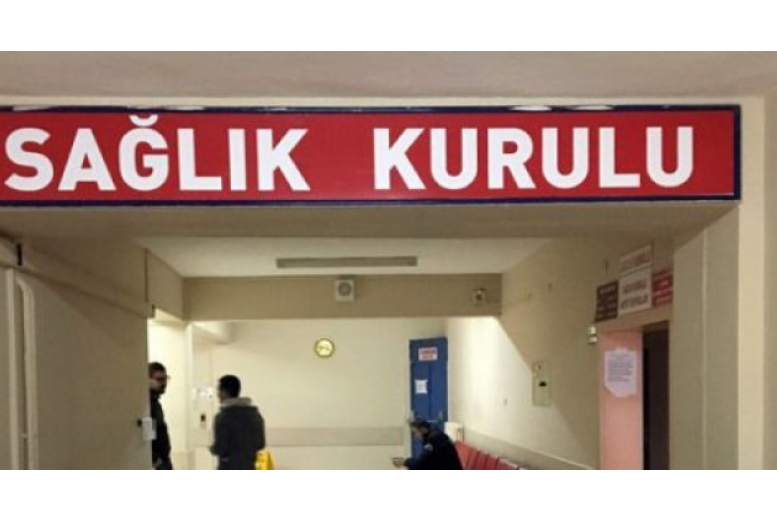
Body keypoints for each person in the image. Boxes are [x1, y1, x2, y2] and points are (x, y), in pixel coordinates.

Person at [210, 375, 266, 470]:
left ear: (225, 392)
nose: (218, 394)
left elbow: (220, 447)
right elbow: (260, 444)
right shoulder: (255, 415)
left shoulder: (223, 417)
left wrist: (212, 449)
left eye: (219, 391)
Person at [394, 419, 463, 470]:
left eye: (415, 432)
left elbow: (421, 463)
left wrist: (405, 462)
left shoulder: (433, 439)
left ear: (422, 429)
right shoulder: (434, 433)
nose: (415, 436)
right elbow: (426, 460)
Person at [148, 361, 173, 470]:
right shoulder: (149, 404)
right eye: (159, 380)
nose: (164, 384)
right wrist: (155, 460)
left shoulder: (155, 403)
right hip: (159, 462)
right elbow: (149, 434)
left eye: (165, 379)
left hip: (162, 459)